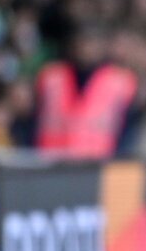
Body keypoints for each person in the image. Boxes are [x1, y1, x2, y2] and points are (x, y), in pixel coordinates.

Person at [34, 24, 137, 158]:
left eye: (91, 42)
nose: (85, 48)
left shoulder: (121, 81)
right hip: (48, 164)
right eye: (81, 42)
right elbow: (32, 118)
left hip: (98, 166)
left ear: (103, 46)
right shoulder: (50, 76)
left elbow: (128, 127)